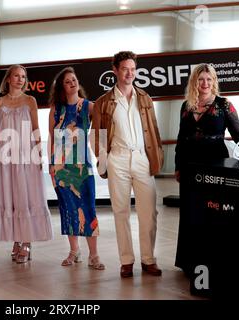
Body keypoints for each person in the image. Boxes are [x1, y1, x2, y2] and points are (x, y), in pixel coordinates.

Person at [174, 63, 239, 276]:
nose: (205, 83)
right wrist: (178, 166)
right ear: (195, 81)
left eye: (209, 79)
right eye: (201, 79)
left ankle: (213, 261)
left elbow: (238, 132)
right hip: (189, 166)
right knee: (190, 212)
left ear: (214, 82)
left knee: (211, 212)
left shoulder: (224, 105)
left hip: (215, 165)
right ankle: (189, 262)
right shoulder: (186, 105)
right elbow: (181, 139)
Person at [92, 51, 164, 278]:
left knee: (148, 212)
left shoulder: (145, 98)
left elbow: (153, 130)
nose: (129, 73)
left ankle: (148, 259)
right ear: (115, 70)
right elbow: (99, 137)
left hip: (142, 157)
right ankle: (126, 261)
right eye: (125, 69)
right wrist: (103, 164)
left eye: (133, 69)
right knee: (121, 211)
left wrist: (156, 158)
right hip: (118, 159)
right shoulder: (104, 102)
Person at [0, 64, 53, 263]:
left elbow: (36, 129)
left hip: (26, 156)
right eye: (16, 76)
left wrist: (39, 155)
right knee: (10, 199)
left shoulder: (30, 100)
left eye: (23, 76)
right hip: (4, 157)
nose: (20, 79)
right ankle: (16, 240)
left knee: (25, 198)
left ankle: (26, 242)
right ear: (8, 79)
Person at [48, 67, 104, 270]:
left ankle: (94, 255)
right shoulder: (56, 109)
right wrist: (51, 165)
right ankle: (74, 251)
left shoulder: (89, 106)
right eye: (67, 81)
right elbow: (52, 139)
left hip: (82, 166)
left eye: (74, 79)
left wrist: (103, 154)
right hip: (61, 166)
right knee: (69, 209)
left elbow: (106, 113)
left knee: (88, 208)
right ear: (61, 87)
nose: (72, 83)